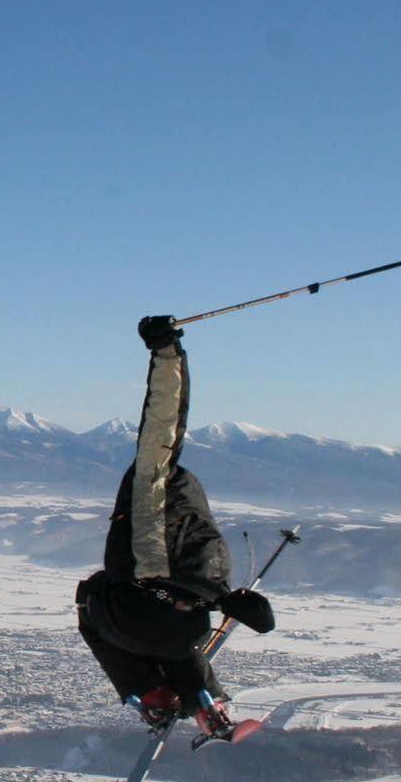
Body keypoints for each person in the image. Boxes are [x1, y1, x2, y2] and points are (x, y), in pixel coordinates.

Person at [75, 315, 275, 739]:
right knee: (177, 633)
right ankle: (209, 705)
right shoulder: (204, 545)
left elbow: (164, 418)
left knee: (94, 600)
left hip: (136, 620)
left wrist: (166, 351)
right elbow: (248, 613)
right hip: (186, 622)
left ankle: (151, 696)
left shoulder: (151, 488)